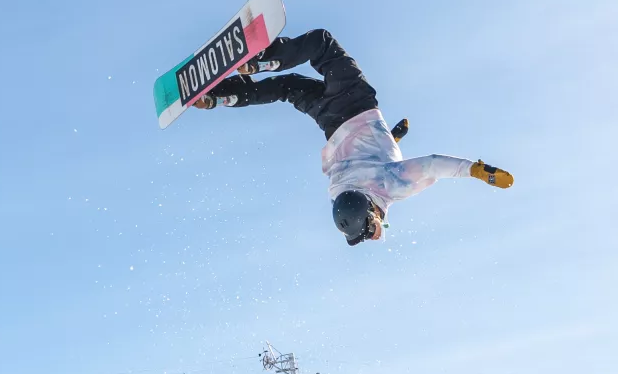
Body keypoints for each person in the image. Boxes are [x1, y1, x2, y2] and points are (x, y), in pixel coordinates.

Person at [195, 29, 512, 245]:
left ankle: (262, 60)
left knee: (321, 44)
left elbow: (431, 165)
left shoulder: (393, 184)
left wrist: (474, 170)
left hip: (354, 103)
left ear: (370, 212)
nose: (377, 232)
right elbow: (361, 161)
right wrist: (391, 141)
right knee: (287, 88)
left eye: (372, 229)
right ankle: (221, 96)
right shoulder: (338, 192)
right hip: (329, 121)